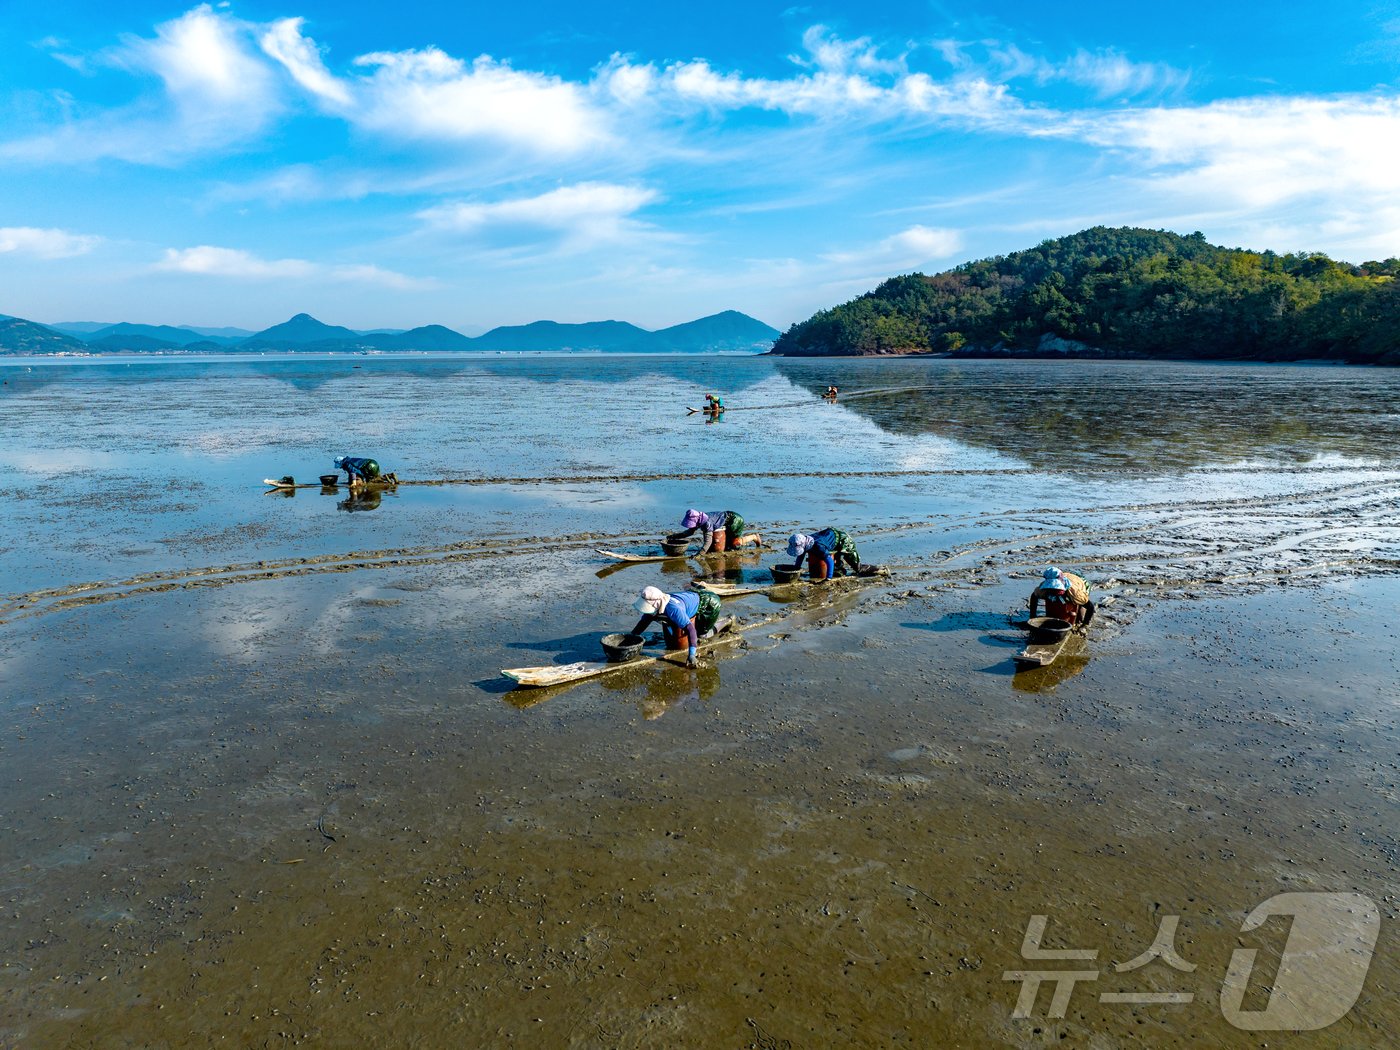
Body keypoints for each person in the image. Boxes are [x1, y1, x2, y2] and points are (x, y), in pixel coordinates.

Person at [629, 585, 721, 668]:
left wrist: (692, 654)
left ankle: (728, 620)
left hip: (708, 602)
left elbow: (690, 629)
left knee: (700, 635)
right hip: (689, 597)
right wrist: (631, 637)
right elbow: (644, 622)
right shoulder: (658, 605)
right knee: (673, 623)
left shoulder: (673, 609)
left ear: (657, 603)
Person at [673, 509, 763, 554]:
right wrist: (675, 536)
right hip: (726, 518)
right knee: (726, 546)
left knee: (734, 544)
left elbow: (708, 541)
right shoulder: (699, 520)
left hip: (735, 520)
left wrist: (700, 554)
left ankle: (754, 537)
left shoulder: (706, 523)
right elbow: (689, 532)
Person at [1028, 567, 1096, 626]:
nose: (1056, 590)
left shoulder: (1075, 593)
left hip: (1080, 581)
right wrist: (1032, 617)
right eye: (1053, 589)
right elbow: (1034, 596)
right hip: (1064, 576)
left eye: (1058, 588)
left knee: (1079, 618)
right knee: (1053, 613)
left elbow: (1090, 607)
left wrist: (1085, 625)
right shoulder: (1043, 589)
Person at [785, 528, 860, 581]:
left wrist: (828, 578)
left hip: (842, 539)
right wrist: (796, 569)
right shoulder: (805, 542)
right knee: (836, 563)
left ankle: (858, 569)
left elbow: (829, 561)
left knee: (852, 560)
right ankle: (838, 567)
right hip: (828, 536)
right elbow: (800, 556)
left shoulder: (819, 547)